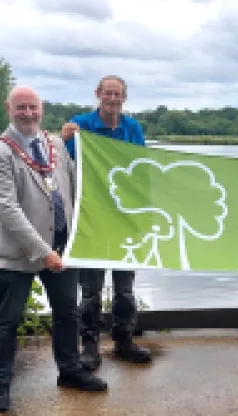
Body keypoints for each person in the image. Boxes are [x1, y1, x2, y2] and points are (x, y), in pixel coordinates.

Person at [0, 86, 107, 412]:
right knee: (7, 322)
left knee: (67, 314)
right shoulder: (2, 152)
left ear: (42, 109)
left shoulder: (56, 145)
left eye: (33, 107)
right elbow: (5, 207)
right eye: (21, 108)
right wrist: (41, 250)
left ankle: (70, 370)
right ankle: (1, 384)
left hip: (62, 248)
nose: (28, 114)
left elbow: (77, 188)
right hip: (18, 255)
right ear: (9, 109)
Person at [61, 75, 151, 371]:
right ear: (98, 94)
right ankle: (89, 347)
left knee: (125, 289)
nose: (112, 98)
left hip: (125, 220)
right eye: (107, 93)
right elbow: (63, 161)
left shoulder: (132, 128)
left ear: (124, 98)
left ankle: (124, 340)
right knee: (91, 290)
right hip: (92, 221)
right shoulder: (82, 124)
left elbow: (141, 169)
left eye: (118, 94)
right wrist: (63, 140)